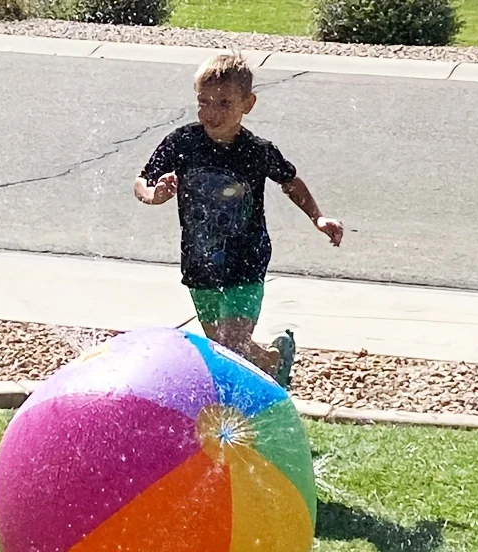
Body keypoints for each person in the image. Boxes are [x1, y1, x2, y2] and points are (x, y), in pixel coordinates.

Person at [134, 52, 343, 388]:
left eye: (224, 103)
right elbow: (143, 180)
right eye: (204, 102)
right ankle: (275, 358)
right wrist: (153, 195)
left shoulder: (256, 151)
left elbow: (290, 181)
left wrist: (318, 218)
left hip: (247, 258)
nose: (211, 112)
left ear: (248, 103)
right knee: (225, 348)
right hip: (199, 260)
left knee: (231, 347)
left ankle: (239, 412)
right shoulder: (182, 142)